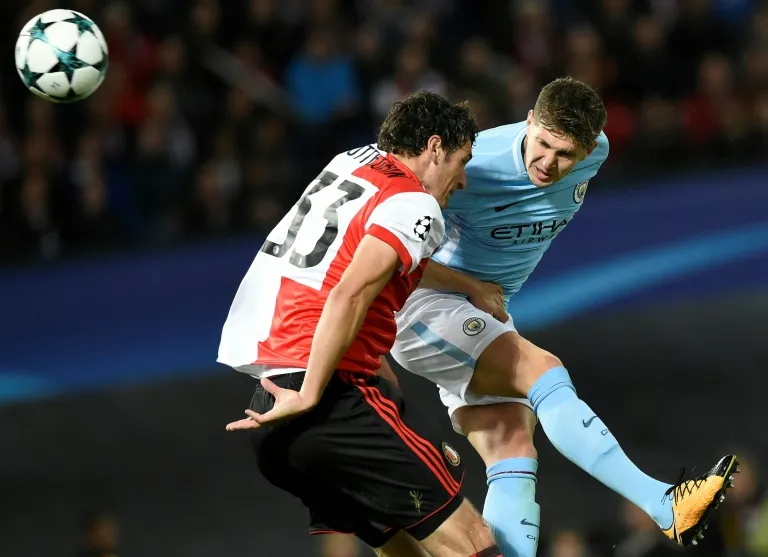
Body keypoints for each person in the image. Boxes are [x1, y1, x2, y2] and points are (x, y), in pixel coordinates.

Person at [387, 77, 739, 557]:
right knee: (544, 372)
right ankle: (664, 505)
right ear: (530, 120)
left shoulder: (597, 153)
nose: (548, 163)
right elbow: (393, 247)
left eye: (565, 154)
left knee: (512, 443)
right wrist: (469, 285)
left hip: (481, 315)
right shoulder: (473, 163)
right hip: (425, 307)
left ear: (589, 149)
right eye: (543, 144)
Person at [218, 91, 502, 557]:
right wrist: (311, 392)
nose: (464, 180)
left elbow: (370, 257)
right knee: (473, 541)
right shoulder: (417, 204)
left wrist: (467, 284)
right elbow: (349, 293)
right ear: (434, 147)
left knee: (404, 548)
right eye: (463, 161)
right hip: (325, 396)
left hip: (271, 405)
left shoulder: (353, 163)